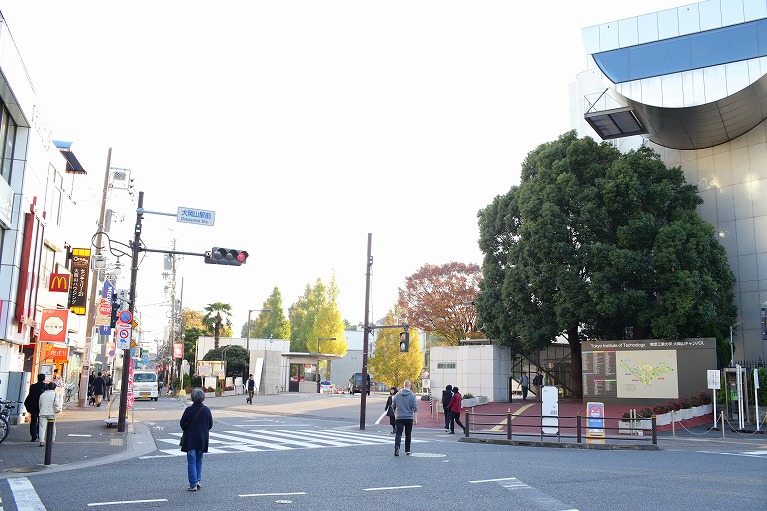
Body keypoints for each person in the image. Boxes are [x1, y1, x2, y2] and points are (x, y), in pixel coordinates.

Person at [180, 388, 213, 492]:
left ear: (192, 397)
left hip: (190, 439)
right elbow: (210, 425)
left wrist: (187, 430)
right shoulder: (207, 410)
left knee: (191, 461)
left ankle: (193, 484)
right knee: (199, 460)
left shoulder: (188, 410)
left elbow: (182, 424)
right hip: (202, 439)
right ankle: (198, 481)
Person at [392, 379, 418, 456]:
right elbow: (415, 408)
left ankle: (397, 447)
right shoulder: (412, 395)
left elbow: (393, 405)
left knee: (398, 433)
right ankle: (407, 450)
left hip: (399, 417)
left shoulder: (397, 395)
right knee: (408, 434)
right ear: (409, 386)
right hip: (409, 417)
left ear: (404, 385)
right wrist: (415, 418)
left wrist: (395, 413)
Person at [24, 374, 47, 442]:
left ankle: (33, 436)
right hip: (41, 406)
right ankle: (39, 434)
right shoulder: (45, 386)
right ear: (44, 379)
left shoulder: (33, 386)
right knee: (41, 421)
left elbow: (30, 396)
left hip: (33, 406)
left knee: (33, 421)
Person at [38, 382, 62, 447]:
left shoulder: (42, 394)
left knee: (42, 427)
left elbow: (40, 404)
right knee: (52, 427)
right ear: (54, 388)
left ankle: (41, 441)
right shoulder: (55, 394)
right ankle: (52, 439)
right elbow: (56, 403)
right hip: (51, 412)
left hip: (43, 412)